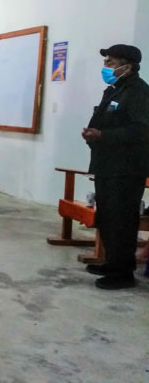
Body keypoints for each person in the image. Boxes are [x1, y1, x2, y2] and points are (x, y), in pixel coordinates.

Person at [82, 44, 149, 290]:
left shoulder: (138, 92)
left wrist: (103, 136)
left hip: (126, 168)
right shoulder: (116, 90)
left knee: (122, 220)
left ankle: (122, 274)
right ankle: (112, 263)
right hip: (109, 165)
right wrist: (93, 134)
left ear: (127, 66)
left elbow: (141, 131)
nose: (105, 66)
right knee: (109, 218)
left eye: (110, 62)